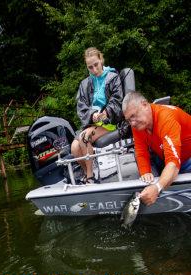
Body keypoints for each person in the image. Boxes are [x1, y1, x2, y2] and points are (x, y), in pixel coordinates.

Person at [122, 91, 191, 206]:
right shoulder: (138, 124)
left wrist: (157, 187)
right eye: (129, 119)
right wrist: (145, 171)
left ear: (144, 104)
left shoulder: (166, 118)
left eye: (133, 116)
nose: (132, 123)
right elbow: (140, 149)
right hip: (164, 154)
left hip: (186, 158)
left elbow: (173, 163)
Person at [71, 47, 123, 184]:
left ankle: (90, 178)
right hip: (93, 124)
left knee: (84, 137)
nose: (94, 70)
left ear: (101, 60)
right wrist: (93, 114)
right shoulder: (84, 84)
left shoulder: (113, 77)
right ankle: (89, 172)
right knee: (74, 148)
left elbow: (117, 101)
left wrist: (106, 113)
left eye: (96, 65)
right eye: (90, 67)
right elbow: (81, 107)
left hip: (110, 124)